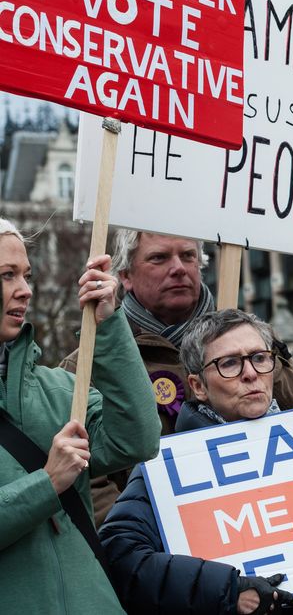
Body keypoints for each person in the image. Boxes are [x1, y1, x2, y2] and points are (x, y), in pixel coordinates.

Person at [62, 229, 293, 524]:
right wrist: (148, 533)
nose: (178, 268)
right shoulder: (89, 364)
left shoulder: (252, 339)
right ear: (125, 275)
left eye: (188, 256)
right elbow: (83, 475)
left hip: (265, 520)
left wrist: (255, 356)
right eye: (159, 258)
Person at [98, 309, 293, 615]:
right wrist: (230, 590)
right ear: (198, 386)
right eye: (229, 363)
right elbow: (120, 556)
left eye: (259, 358)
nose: (250, 373)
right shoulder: (165, 468)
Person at [0, 217, 159, 613]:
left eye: (27, 275)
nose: (25, 290)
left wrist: (110, 323)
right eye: (7, 275)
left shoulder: (60, 390)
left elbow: (137, 440)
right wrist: (47, 483)